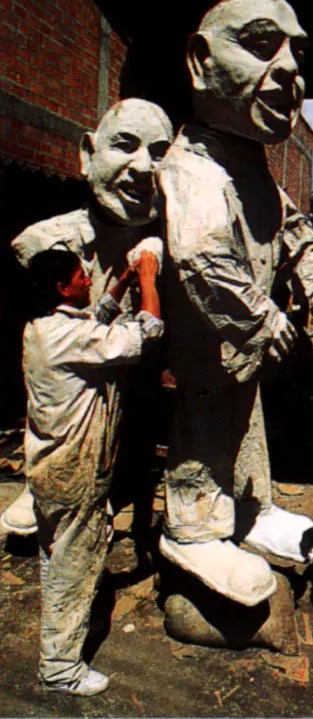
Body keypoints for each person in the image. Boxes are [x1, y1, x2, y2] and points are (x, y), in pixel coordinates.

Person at [157, 0, 313, 607]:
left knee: (247, 428)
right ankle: (190, 531)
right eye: (261, 45)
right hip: (206, 353)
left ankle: (248, 507)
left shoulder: (255, 174)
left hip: (240, 355)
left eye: (297, 54)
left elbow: (298, 236)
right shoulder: (192, 169)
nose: (292, 72)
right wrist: (261, 317)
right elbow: (200, 255)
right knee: (205, 430)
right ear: (200, 61)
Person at [0, 98, 174, 539]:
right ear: (87, 154)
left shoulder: (178, 245)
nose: (143, 167)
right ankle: (44, 483)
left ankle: (114, 485)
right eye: (125, 145)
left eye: (158, 153)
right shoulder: (45, 243)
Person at [24, 248, 163, 696]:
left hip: (50, 467)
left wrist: (120, 281)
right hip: (76, 471)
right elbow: (147, 332)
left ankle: (55, 646)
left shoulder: (42, 328)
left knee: (56, 560)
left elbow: (96, 320)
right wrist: (147, 279)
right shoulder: (70, 338)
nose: (89, 280)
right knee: (75, 567)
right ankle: (60, 669)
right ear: (63, 288)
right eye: (82, 276)